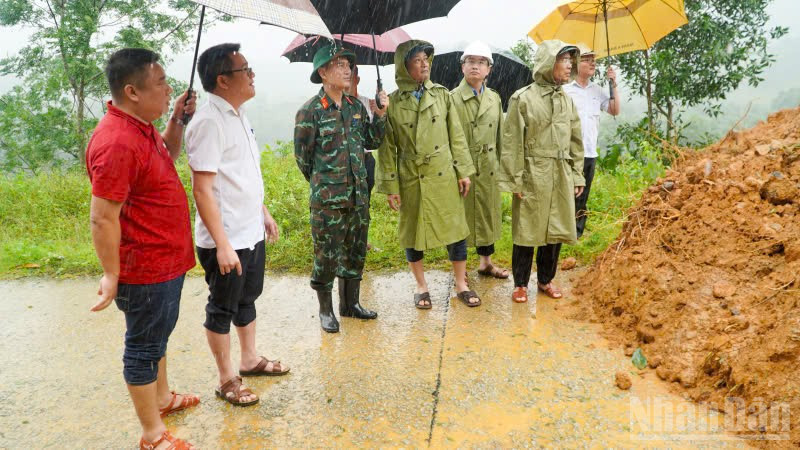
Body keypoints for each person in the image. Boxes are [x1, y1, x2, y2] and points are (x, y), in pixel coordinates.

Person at [86, 48, 198, 449]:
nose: (170, 90)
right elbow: (102, 217)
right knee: (143, 347)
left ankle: (164, 399)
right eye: (162, 84)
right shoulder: (116, 141)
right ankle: (152, 435)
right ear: (131, 91)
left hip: (166, 261)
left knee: (158, 336)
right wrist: (112, 274)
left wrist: (176, 121)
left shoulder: (140, 124)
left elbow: (167, 153)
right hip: (145, 266)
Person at [185, 43, 289, 408]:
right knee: (222, 308)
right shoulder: (209, 122)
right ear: (222, 80)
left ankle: (250, 358)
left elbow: (239, 175)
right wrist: (223, 243)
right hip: (225, 239)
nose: (252, 74)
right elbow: (202, 189)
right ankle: (227, 378)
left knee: (247, 297)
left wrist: (262, 211)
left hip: (249, 230)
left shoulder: (236, 114)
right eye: (245, 69)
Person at [375, 39, 479, 309]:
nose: (424, 64)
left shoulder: (442, 95)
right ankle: (421, 287)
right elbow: (387, 148)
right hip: (412, 175)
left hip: (443, 172)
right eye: (417, 60)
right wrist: (391, 186)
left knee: (456, 229)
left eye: (426, 59)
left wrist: (462, 171)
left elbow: (455, 134)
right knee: (413, 232)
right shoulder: (393, 103)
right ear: (403, 66)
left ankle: (461, 284)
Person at [294, 44, 389, 333]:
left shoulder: (355, 107)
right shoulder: (310, 111)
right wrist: (327, 183)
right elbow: (304, 159)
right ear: (322, 72)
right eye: (339, 64)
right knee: (326, 255)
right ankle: (326, 310)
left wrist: (382, 114)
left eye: (349, 64)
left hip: (358, 196)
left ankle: (351, 305)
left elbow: (372, 142)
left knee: (355, 251)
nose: (347, 69)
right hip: (328, 200)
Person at [499, 40, 585, 303]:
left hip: (560, 172)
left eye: (572, 61)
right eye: (564, 60)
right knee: (527, 229)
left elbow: (575, 140)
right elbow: (511, 142)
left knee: (555, 229)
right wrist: (515, 180)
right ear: (549, 63)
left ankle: (546, 280)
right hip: (532, 172)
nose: (570, 66)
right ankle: (521, 283)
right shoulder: (523, 98)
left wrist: (577, 174)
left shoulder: (567, 101)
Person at [450, 41, 509, 283]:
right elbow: (448, 138)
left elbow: (500, 136)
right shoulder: (452, 98)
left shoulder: (494, 98)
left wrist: (505, 169)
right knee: (459, 219)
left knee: (487, 214)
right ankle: (460, 270)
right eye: (470, 61)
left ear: (489, 69)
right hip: (462, 167)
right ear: (462, 67)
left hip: (488, 167)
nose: (475, 66)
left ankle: (486, 263)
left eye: (481, 62)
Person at [563, 44, 620, 238]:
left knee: (583, 193)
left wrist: (614, 84)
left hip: (590, 151)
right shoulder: (566, 91)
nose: (592, 63)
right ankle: (564, 228)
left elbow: (614, 110)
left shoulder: (598, 90)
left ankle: (577, 232)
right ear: (576, 63)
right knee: (568, 191)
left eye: (594, 60)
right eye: (587, 59)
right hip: (570, 152)